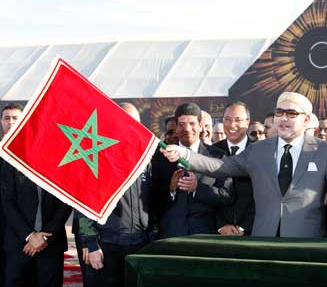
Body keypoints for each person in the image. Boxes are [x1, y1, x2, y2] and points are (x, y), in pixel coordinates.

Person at [162, 92, 327, 238]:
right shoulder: (258, 150)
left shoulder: (324, 151)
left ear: (306, 119)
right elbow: (220, 166)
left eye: (291, 113)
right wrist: (186, 154)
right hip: (264, 241)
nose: (283, 118)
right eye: (279, 112)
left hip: (307, 241)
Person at [78, 103, 154, 287]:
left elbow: (152, 199)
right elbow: (81, 207)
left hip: (140, 244)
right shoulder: (95, 157)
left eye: (133, 122)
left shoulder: (146, 158)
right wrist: (91, 244)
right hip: (107, 246)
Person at [155, 103, 233, 238]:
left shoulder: (218, 156)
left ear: (200, 125)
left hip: (206, 237)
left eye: (192, 123)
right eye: (181, 124)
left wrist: (197, 188)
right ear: (176, 126)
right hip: (171, 237)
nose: (187, 129)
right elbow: (151, 199)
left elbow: (227, 196)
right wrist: (171, 190)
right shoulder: (161, 157)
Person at [2, 155, 72, 286]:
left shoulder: (62, 160)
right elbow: (7, 203)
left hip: (51, 244)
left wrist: (44, 237)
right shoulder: (12, 158)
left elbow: (67, 203)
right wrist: (29, 235)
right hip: (19, 244)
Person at [212, 102, 255, 235]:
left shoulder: (259, 151)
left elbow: (266, 196)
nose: (232, 125)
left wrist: (244, 227)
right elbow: (207, 192)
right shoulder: (212, 152)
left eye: (238, 120)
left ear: (247, 122)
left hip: (253, 231)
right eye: (228, 119)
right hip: (219, 233)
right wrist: (220, 226)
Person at [0, 103, 23, 287]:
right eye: (7, 118)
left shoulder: (32, 152)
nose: (11, 122)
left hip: (24, 228)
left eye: (15, 117)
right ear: (1, 122)